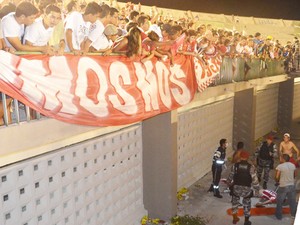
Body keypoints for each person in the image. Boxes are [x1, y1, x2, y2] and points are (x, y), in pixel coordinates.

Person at [227, 150, 259, 225]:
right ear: (247, 158)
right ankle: (246, 221)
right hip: (246, 189)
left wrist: (229, 183)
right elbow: (254, 179)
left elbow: (231, 176)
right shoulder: (251, 167)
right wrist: (257, 188)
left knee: (235, 203)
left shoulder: (235, 166)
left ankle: (235, 218)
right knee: (247, 204)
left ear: (240, 157)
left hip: (236, 188)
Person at [275, 154, 297, 220]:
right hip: (292, 185)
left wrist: (277, 181)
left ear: (283, 159)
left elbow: (277, 176)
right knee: (292, 202)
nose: (280, 159)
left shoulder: (280, 166)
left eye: (281, 158)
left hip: (283, 186)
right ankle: (293, 215)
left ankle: (279, 216)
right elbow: (294, 175)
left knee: (279, 202)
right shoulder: (293, 165)